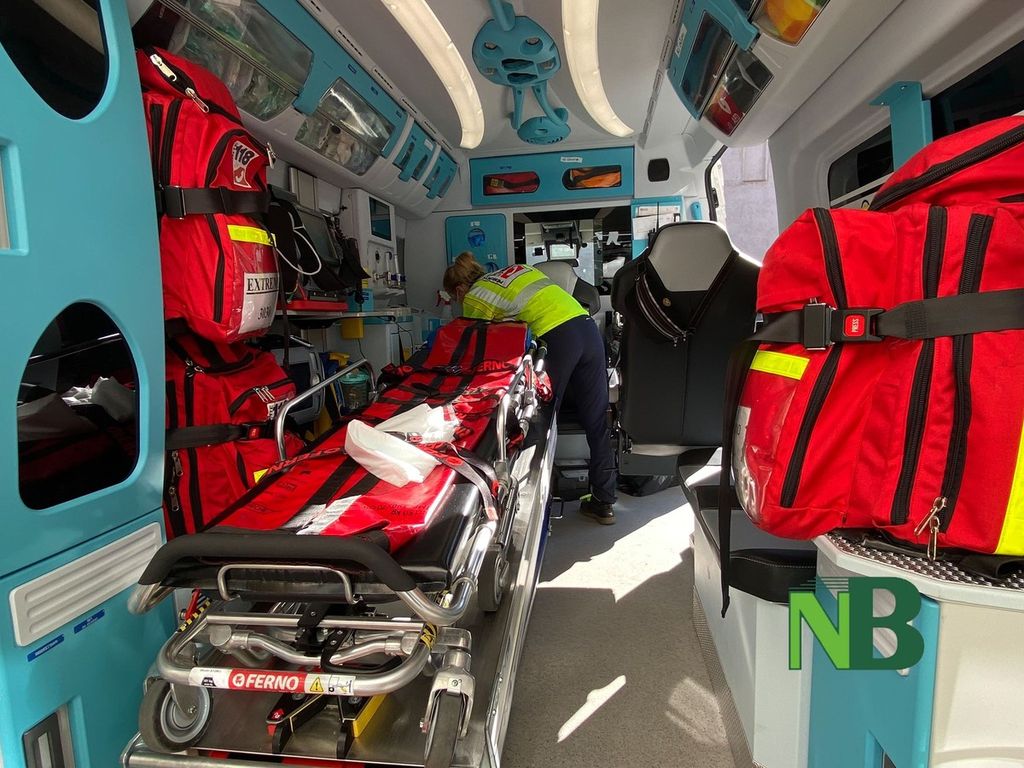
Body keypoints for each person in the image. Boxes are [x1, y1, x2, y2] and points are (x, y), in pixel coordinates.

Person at [443, 252, 616, 524]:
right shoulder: (517, 270)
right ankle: (604, 502)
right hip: (587, 329)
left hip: (557, 338)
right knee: (597, 421)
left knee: (539, 422)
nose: (458, 303)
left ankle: (534, 513)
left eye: (455, 298)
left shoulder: (476, 296)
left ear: (459, 290)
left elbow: (478, 349)